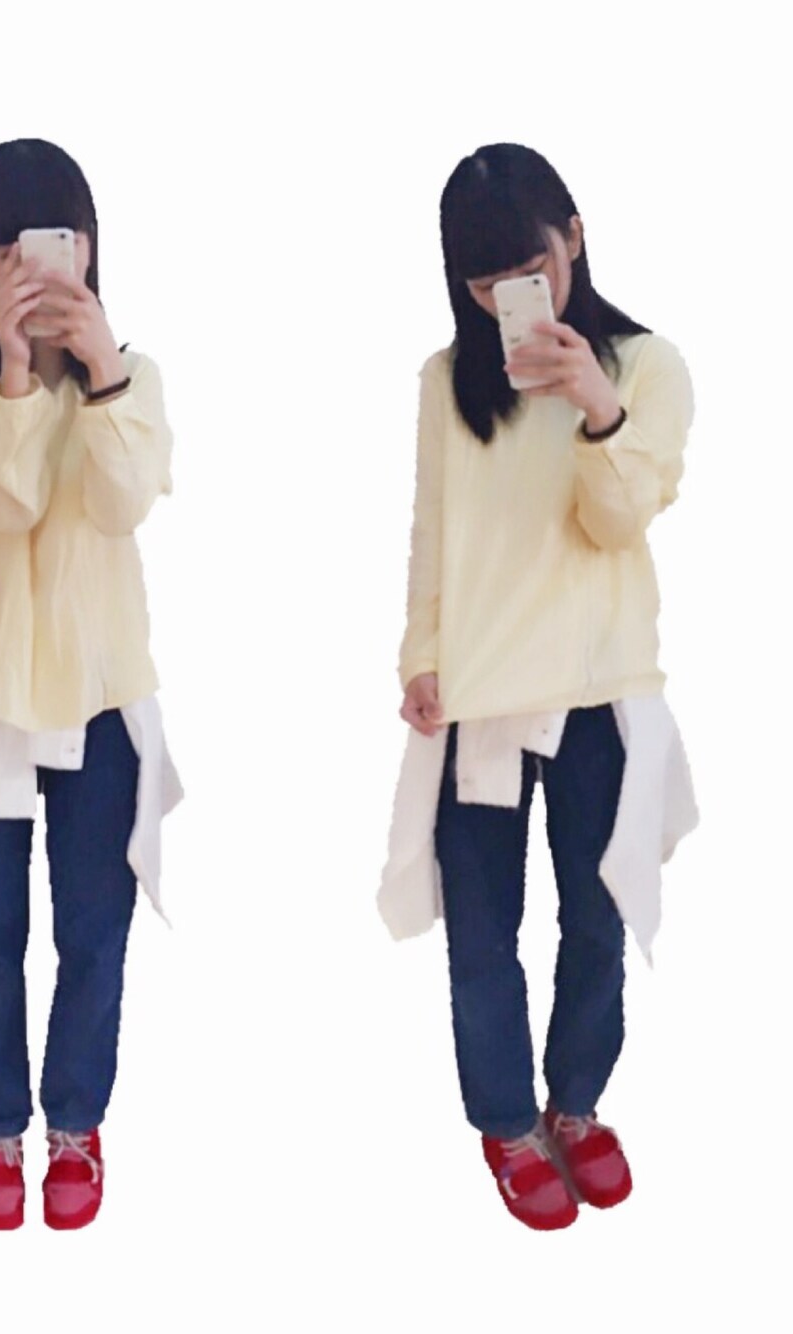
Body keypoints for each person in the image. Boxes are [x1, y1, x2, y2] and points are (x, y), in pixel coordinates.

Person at [378, 143, 697, 1231]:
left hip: (601, 692)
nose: (511, 295)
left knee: (596, 922)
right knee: (483, 935)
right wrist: (420, 656)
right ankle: (509, 1122)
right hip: (479, 697)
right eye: (485, 282)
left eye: (530, 268)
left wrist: (596, 404)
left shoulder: (648, 367)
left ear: (575, 236)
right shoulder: (448, 382)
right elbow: (434, 528)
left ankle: (578, 1102)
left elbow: (617, 519)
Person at [0, 138, 182, 1231]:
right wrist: (15, 372)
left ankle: (76, 1124)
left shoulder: (135, 378)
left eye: (52, 238)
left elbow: (122, 503)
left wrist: (100, 373)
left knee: (94, 932)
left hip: (101, 700)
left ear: (89, 247)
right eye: (4, 245)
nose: (30, 263)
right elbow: (1, 506)